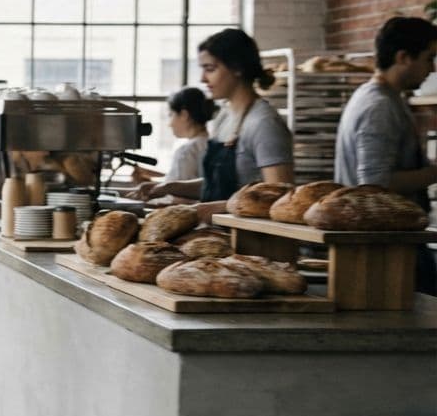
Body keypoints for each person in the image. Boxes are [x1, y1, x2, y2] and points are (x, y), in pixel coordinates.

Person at [129, 28, 294, 202]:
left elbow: (279, 198)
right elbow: (217, 187)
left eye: (210, 69)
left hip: (244, 230)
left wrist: (209, 211)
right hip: (216, 228)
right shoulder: (224, 117)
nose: (202, 79)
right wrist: (170, 187)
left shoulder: (264, 124)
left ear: (237, 68)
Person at [334, 15, 437, 293]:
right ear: (403, 57)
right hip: (381, 249)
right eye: (429, 58)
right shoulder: (378, 106)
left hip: (390, 243)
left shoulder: (385, 98)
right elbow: (376, 184)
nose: (432, 68)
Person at [163, 87, 217, 181]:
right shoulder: (215, 145)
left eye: (171, 115)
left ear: (184, 115)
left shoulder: (186, 152)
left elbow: (178, 190)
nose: (169, 124)